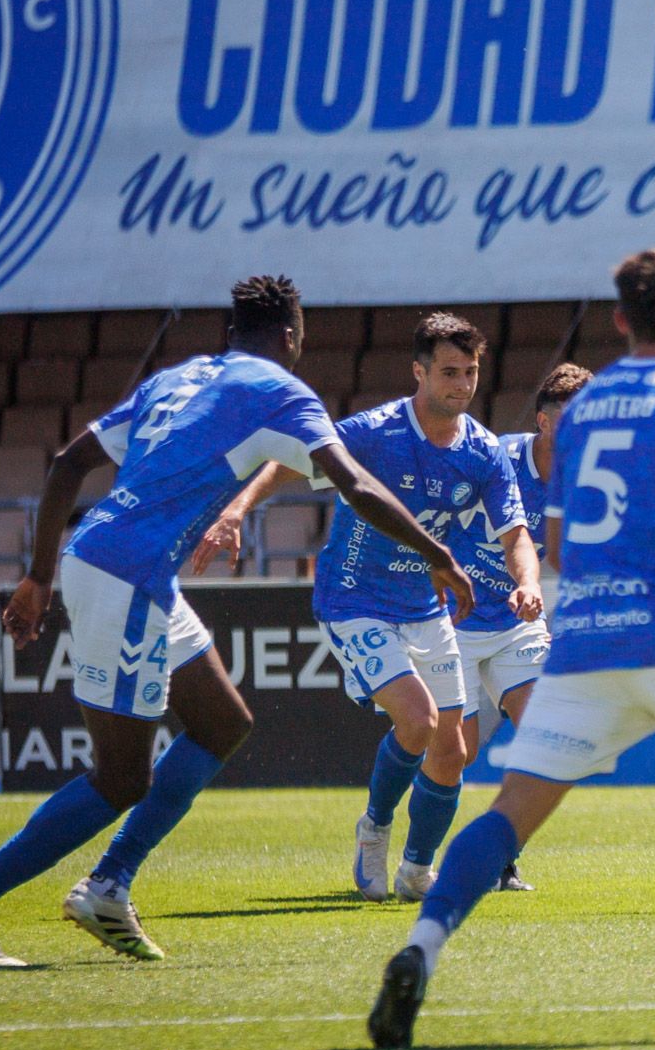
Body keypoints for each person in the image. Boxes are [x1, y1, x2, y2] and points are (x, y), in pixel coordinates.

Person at [0, 277, 473, 967]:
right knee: (121, 778)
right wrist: (440, 554)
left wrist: (39, 575)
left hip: (115, 565)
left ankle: (110, 885)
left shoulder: (177, 380)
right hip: (128, 578)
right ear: (292, 337)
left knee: (221, 723)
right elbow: (355, 485)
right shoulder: (279, 392)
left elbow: (68, 463)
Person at [367, 247, 655, 1049]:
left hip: (581, 639)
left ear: (620, 319)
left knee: (512, 810)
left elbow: (554, 543)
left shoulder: (581, 410)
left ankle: (420, 947)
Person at [193, 314, 543, 903]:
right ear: (419, 371)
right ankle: (375, 828)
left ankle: (416, 868)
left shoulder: (483, 451)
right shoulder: (376, 431)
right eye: (449, 372)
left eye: (471, 371)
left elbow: (516, 536)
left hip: (423, 606)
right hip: (354, 597)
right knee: (418, 719)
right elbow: (292, 459)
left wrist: (527, 582)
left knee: (452, 749)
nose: (462, 384)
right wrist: (237, 510)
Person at [459, 361, 594, 892]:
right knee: (455, 753)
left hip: (517, 620)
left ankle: (499, 857)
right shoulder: (496, 458)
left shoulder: (588, 482)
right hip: (454, 614)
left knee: (550, 738)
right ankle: (386, 831)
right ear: (542, 421)